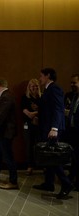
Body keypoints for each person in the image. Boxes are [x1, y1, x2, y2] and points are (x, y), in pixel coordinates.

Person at [32, 68, 73, 199]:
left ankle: (66, 184)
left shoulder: (54, 89)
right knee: (48, 156)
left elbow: (58, 109)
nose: (40, 78)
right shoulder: (48, 89)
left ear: (48, 76)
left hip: (52, 129)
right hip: (47, 127)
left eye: (41, 76)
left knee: (53, 157)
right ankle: (49, 183)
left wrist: (54, 128)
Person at [21, 79, 41, 175]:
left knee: (39, 145)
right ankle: (30, 166)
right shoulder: (25, 98)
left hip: (40, 125)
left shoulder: (42, 98)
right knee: (29, 145)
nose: (35, 88)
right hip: (28, 125)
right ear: (29, 87)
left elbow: (46, 110)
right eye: (33, 86)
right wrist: (37, 113)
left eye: (36, 86)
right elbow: (27, 113)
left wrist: (36, 113)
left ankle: (41, 165)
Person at [64, 74, 79, 192]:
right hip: (73, 131)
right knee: (74, 157)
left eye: (74, 83)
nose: (72, 85)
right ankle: (72, 178)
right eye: (71, 83)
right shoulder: (74, 96)